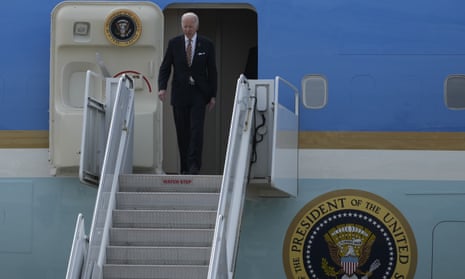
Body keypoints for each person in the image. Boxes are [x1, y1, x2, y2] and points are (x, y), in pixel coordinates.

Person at [158, 12, 218, 175]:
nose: (188, 29)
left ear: (196, 26)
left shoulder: (207, 44)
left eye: (190, 26)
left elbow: (212, 71)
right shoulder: (174, 43)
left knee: (196, 130)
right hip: (180, 93)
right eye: (185, 26)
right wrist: (162, 87)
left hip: (199, 93)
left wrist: (213, 95)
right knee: (182, 131)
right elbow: (165, 67)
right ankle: (184, 165)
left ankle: (194, 166)